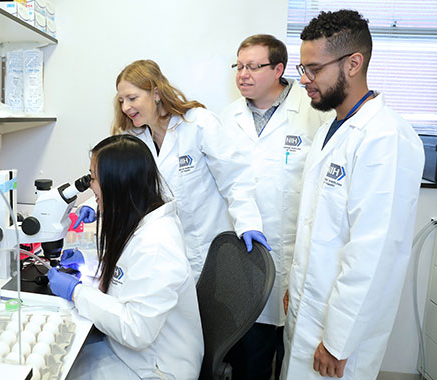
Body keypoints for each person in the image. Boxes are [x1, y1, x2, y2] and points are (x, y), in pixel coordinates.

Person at [282, 10, 424, 380]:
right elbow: (318, 224)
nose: (304, 81)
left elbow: (373, 252)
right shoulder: (331, 127)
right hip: (308, 307)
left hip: (340, 333)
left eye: (314, 69)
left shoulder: (385, 137)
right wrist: (294, 286)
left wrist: (338, 340)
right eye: (302, 69)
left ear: (353, 63)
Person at [219, 34, 332, 380]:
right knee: (249, 358)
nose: (243, 75)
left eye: (253, 66)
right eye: (239, 66)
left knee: (295, 359)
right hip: (246, 256)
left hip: (297, 258)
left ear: (278, 69)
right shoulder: (228, 117)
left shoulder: (314, 114)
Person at [47, 135, 204, 379]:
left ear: (118, 182)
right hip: (132, 353)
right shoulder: (142, 219)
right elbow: (131, 275)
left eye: (94, 178)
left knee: (57, 370)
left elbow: (137, 330)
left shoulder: (157, 244)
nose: (90, 186)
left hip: (156, 368)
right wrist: (88, 263)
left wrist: (76, 292)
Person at [107, 59, 269, 281]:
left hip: (209, 249)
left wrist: (248, 222)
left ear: (156, 93)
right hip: (163, 252)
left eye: (132, 98)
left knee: (211, 311)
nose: (126, 107)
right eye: (122, 100)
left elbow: (234, 178)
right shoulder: (135, 138)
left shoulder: (197, 123)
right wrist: (95, 205)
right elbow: (121, 183)